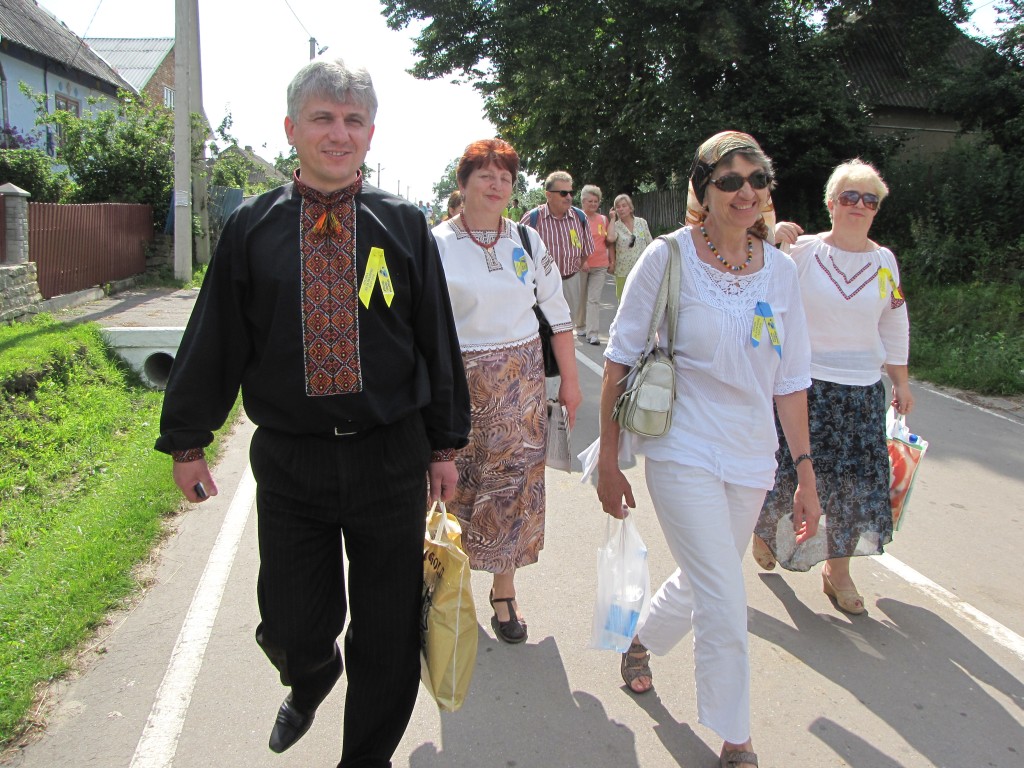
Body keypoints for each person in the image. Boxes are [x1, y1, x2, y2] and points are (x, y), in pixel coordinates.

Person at [154, 58, 471, 767]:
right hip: (291, 459)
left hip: (389, 456)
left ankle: (365, 758)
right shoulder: (250, 227)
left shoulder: (404, 225)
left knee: (387, 632)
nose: (339, 133)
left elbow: (435, 340)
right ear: (291, 128)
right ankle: (312, 672)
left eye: (353, 120)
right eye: (323, 118)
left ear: (371, 133)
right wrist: (188, 441)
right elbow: (217, 337)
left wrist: (445, 446)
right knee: (293, 621)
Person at [596, 131, 821, 768]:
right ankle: (736, 737)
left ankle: (639, 639)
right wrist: (609, 461)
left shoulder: (781, 271)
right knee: (724, 592)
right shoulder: (667, 257)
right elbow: (618, 359)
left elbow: (791, 381)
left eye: (757, 180)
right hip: (681, 444)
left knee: (705, 578)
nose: (746, 192)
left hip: (751, 453)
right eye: (729, 181)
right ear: (703, 190)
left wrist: (805, 474)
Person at [433, 139, 582, 643]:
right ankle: (448, 592)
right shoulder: (437, 244)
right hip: (458, 388)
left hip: (522, 388)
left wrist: (570, 383)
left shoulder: (527, 240)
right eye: (486, 176)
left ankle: (504, 591)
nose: (497, 186)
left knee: (513, 490)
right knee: (454, 488)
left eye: (506, 178)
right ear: (464, 183)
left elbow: (557, 314)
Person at [752, 159, 913, 615]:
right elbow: (759, 289)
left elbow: (894, 320)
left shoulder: (885, 263)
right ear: (831, 204)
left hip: (862, 392)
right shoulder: (802, 251)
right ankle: (765, 530)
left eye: (870, 199)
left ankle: (837, 572)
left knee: (853, 487)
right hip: (805, 387)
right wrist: (771, 240)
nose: (859, 205)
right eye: (850, 196)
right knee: (788, 474)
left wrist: (900, 381)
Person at [521, 171, 595, 330]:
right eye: (563, 193)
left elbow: (587, 249)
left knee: (567, 327)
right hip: (541, 285)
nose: (568, 197)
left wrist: (575, 267)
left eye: (571, 193)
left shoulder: (580, 217)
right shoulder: (532, 218)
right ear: (548, 195)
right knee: (542, 329)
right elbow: (518, 256)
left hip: (570, 281)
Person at [577, 184, 611, 344]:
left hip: (600, 265)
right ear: (583, 201)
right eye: (589, 201)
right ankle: (581, 325)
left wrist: (612, 260)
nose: (593, 204)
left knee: (594, 299)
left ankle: (593, 333)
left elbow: (609, 241)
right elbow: (573, 241)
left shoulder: (603, 219)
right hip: (581, 265)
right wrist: (581, 260)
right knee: (581, 298)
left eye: (595, 201)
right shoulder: (576, 218)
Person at [606, 193, 653, 300]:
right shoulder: (616, 226)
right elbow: (611, 239)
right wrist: (612, 219)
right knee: (624, 300)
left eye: (624, 206)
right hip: (623, 269)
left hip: (642, 268)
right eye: (618, 207)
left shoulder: (641, 222)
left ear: (630, 208)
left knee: (642, 299)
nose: (621, 209)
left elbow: (650, 243)